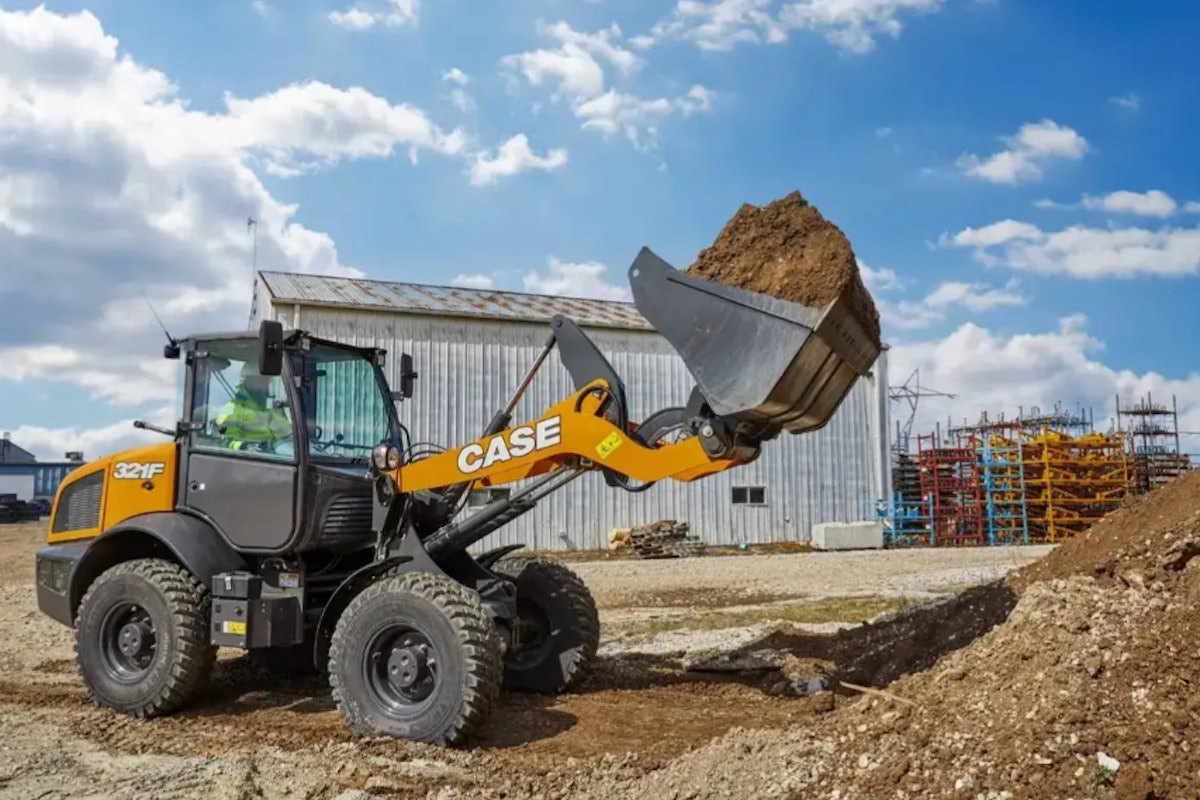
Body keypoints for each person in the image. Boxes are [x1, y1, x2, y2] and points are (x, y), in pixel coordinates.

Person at [215, 363, 294, 455]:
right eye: (262, 382)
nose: (265, 386)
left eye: (267, 382)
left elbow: (286, 433)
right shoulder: (230, 411)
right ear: (248, 381)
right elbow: (224, 441)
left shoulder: (271, 409)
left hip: (275, 456)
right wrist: (243, 446)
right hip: (249, 459)